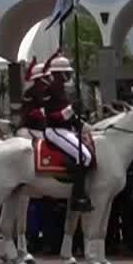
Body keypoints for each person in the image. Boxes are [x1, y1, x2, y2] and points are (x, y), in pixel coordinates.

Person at [43, 54, 93, 213]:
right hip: (55, 130)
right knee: (85, 157)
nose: (69, 75)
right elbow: (52, 116)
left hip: (65, 129)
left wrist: (85, 126)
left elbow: (70, 117)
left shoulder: (62, 90)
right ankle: (77, 196)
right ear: (59, 73)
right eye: (67, 72)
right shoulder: (50, 90)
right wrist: (71, 109)